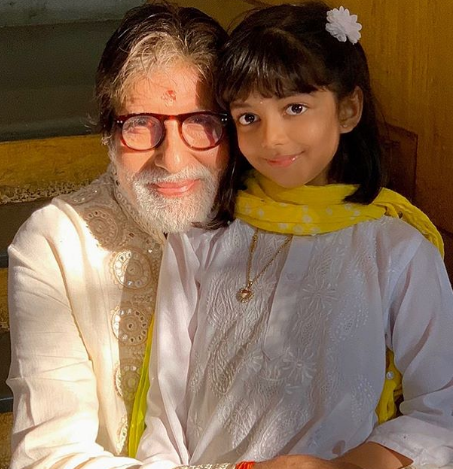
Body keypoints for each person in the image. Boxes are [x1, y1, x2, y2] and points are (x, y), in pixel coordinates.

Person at [135, 2, 453, 469]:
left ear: (348, 109)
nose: (272, 139)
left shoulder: (396, 252)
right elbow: (166, 406)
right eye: (249, 117)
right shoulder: (200, 237)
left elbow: (442, 410)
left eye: (295, 108)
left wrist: (342, 468)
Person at [7, 2, 229, 468]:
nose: (172, 160)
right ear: (108, 132)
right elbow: (47, 456)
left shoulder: (279, 222)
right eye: (141, 125)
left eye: (201, 122)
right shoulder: (56, 243)